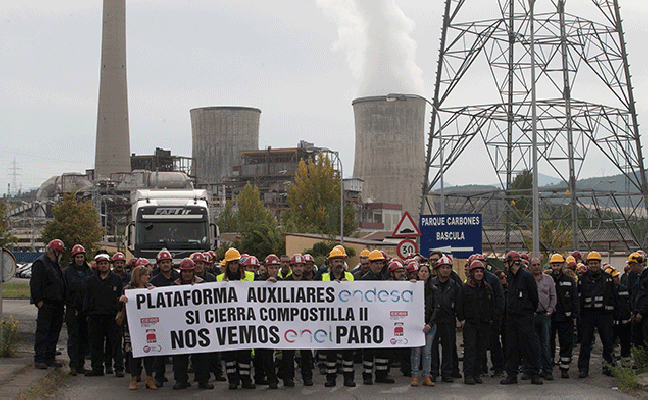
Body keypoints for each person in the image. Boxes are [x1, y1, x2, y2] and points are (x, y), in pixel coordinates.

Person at [169, 258, 213, 390]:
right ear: (180, 272)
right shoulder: (173, 286)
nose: (187, 274)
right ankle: (181, 380)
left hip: (199, 325)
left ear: (193, 271)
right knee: (180, 355)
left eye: (189, 271)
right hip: (180, 326)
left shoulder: (202, 284)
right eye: (184, 272)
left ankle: (203, 380)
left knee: (201, 355)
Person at [500, 251, 542, 385]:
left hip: (525, 317)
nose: (506, 266)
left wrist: (529, 311)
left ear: (512, 262)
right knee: (511, 347)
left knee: (529, 346)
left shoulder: (526, 277)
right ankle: (511, 375)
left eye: (507, 263)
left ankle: (534, 374)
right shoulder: (511, 278)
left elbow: (534, 298)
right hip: (512, 318)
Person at [217, 248, 256, 389]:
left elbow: (261, 290)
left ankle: (246, 379)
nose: (233, 266)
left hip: (245, 322)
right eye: (230, 263)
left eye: (235, 263)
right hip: (227, 323)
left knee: (244, 354)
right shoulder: (218, 280)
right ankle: (233, 380)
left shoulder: (250, 277)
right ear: (226, 265)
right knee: (229, 355)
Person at [577, 251, 618, 378]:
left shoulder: (608, 278)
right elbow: (578, 298)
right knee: (585, 342)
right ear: (587, 264)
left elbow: (614, 297)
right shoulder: (582, 279)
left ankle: (609, 366)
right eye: (591, 263)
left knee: (608, 342)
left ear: (600, 264)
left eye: (596, 263)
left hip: (604, 314)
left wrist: (615, 315)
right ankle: (583, 368)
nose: (593, 265)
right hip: (587, 314)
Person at [84, 253, 124, 377]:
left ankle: (118, 368)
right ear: (97, 265)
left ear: (109, 265)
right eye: (101, 264)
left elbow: (122, 297)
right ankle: (97, 368)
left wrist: (120, 312)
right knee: (96, 344)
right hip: (95, 316)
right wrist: (87, 313)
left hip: (112, 316)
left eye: (105, 263)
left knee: (116, 344)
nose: (103, 266)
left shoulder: (117, 279)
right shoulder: (91, 280)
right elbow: (87, 297)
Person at [278, 254, 315, 387]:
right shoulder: (283, 283)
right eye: (296, 266)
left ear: (304, 267)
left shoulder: (311, 283)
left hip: (305, 323)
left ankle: (307, 376)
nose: (298, 269)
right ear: (291, 267)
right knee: (288, 353)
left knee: (306, 353)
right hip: (289, 323)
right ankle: (288, 377)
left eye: (301, 266)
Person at [321, 247, 355, 387]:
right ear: (330, 263)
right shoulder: (323, 277)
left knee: (348, 352)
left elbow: (359, 296)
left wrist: (349, 288)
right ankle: (331, 378)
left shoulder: (351, 277)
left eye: (341, 261)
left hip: (347, 319)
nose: (339, 263)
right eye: (336, 261)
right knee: (331, 352)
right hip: (329, 321)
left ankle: (348, 378)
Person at [360, 251, 396, 385]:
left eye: (381, 263)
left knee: (384, 349)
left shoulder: (383, 278)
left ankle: (381, 374)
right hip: (369, 320)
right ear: (370, 264)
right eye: (376, 263)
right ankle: (367, 375)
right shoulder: (365, 280)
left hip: (383, 319)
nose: (379, 266)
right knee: (369, 349)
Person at [119, 265, 157, 390]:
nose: (148, 277)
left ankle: (149, 378)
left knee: (149, 353)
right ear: (139, 277)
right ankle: (134, 378)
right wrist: (122, 300)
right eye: (145, 275)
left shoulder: (148, 288)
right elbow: (118, 307)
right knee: (133, 354)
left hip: (148, 326)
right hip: (132, 327)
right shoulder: (128, 289)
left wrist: (156, 292)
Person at [31, 239, 66, 370]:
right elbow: (35, 284)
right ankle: (39, 358)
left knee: (54, 332)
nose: (61, 256)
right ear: (55, 252)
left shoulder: (54, 265)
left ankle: (49, 357)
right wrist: (39, 301)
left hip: (57, 304)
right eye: (60, 253)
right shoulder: (41, 263)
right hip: (46, 304)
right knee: (43, 332)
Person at [457, 260, 494, 385]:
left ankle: (477, 373)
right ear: (472, 273)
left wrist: (490, 319)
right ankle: (468, 374)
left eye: (481, 271)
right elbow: (459, 305)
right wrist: (462, 320)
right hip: (470, 324)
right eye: (476, 271)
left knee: (481, 349)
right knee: (470, 349)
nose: (479, 274)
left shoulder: (487, 288)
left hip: (484, 323)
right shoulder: (466, 288)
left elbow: (492, 304)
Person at [148, 250, 178, 387]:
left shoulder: (179, 277)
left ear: (172, 263)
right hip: (161, 321)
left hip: (177, 320)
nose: (166, 265)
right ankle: (159, 377)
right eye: (163, 262)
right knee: (160, 351)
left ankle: (180, 378)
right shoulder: (154, 281)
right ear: (158, 264)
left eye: (167, 262)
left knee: (178, 351)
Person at [63, 244, 93, 375]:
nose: (80, 259)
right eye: (78, 257)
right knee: (73, 338)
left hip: (85, 310)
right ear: (73, 258)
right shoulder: (67, 272)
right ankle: (73, 365)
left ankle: (81, 364)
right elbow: (63, 290)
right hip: (72, 309)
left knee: (84, 338)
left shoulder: (89, 272)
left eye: (81, 257)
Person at [430, 255, 461, 382]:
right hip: (434, 321)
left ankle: (447, 373)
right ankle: (433, 372)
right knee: (432, 348)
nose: (445, 270)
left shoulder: (455, 286)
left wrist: (460, 319)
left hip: (449, 320)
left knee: (448, 347)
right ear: (437, 269)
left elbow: (459, 304)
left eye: (448, 268)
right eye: (443, 267)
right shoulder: (431, 283)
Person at [549, 253, 578, 379]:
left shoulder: (569, 280)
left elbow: (574, 298)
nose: (556, 267)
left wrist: (574, 314)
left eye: (558, 265)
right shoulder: (547, 279)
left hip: (566, 318)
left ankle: (565, 368)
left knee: (566, 343)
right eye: (554, 265)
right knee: (548, 342)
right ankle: (548, 366)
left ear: (562, 265)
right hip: (551, 316)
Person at [410, 264, 438, 387]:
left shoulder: (434, 290)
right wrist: (410, 284)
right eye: (421, 271)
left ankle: (427, 375)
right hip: (416, 326)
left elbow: (437, 308)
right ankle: (414, 375)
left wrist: (430, 324)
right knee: (416, 352)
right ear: (417, 273)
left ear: (429, 274)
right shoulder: (412, 287)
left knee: (427, 352)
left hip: (429, 325)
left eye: (426, 271)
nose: (424, 273)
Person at [529, 257, 557, 380]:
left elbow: (553, 296)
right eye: (534, 265)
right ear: (529, 266)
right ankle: (535, 369)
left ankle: (547, 370)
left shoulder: (548, 279)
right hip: (531, 316)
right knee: (534, 345)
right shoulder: (527, 279)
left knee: (546, 344)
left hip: (545, 316)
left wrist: (549, 311)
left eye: (538, 264)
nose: (536, 267)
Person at [607, 267, 632, 362]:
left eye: (617, 276)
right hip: (612, 323)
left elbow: (629, 303)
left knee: (626, 343)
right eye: (615, 277)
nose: (617, 278)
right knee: (610, 344)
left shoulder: (624, 289)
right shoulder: (607, 291)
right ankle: (609, 364)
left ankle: (625, 363)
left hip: (625, 323)